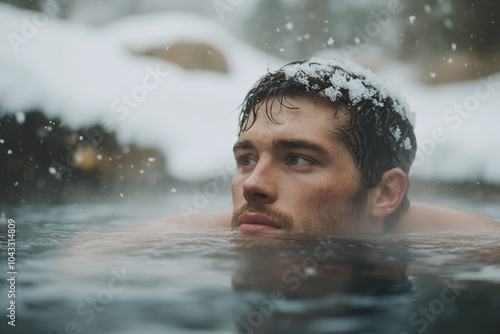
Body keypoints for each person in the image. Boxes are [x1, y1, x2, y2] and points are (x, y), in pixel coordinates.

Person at [143, 58, 498, 235]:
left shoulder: (465, 247)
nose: (252, 185)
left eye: (297, 159)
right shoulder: (183, 238)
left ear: (385, 193)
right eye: (247, 159)